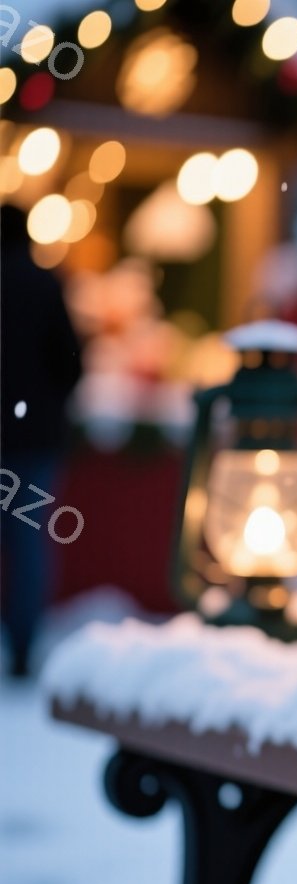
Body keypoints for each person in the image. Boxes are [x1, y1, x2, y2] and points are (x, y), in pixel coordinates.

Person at [1, 203, 85, 679]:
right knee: (29, 543)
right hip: (34, 442)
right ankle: (24, 648)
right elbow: (72, 362)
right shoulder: (45, 284)